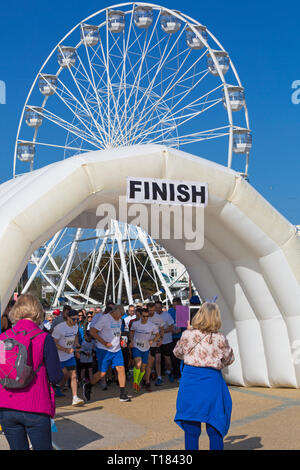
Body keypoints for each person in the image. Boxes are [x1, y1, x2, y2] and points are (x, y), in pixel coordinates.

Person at [0, 293, 63, 450]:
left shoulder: (3, 337)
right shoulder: (44, 338)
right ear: (37, 311)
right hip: (36, 405)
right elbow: (55, 376)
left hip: (6, 404)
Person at [173, 302, 235, 451]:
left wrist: (188, 334)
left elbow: (177, 353)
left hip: (190, 381)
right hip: (211, 382)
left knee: (191, 427)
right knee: (214, 425)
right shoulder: (220, 338)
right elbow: (229, 359)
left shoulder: (187, 334)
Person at [83, 304, 131, 402]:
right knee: (102, 373)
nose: (120, 317)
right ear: (115, 312)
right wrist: (104, 343)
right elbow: (92, 332)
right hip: (104, 350)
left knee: (121, 369)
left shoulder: (119, 320)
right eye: (120, 315)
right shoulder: (104, 319)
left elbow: (119, 333)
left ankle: (123, 394)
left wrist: (122, 341)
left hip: (117, 349)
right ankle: (88, 385)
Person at [52, 309, 84, 406]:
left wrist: (76, 344)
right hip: (59, 357)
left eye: (77, 319)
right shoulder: (59, 328)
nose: (75, 321)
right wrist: (65, 349)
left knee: (73, 375)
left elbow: (75, 336)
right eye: (74, 319)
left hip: (69, 356)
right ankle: (57, 388)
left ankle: (75, 397)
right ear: (68, 318)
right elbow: (53, 343)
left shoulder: (75, 326)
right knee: (64, 375)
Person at [129, 307, 161, 392]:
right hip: (136, 347)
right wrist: (131, 341)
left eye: (147, 316)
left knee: (143, 368)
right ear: (140, 316)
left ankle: (137, 383)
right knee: (138, 364)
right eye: (143, 316)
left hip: (146, 348)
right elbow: (131, 333)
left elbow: (158, 335)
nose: (145, 318)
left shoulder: (152, 326)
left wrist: (153, 340)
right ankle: (135, 382)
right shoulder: (135, 324)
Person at [143, 302, 164, 389]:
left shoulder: (158, 318)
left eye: (153, 310)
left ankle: (159, 377)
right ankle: (146, 379)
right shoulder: (144, 318)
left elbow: (162, 329)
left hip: (155, 343)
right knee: (147, 362)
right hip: (145, 344)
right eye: (149, 310)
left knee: (157, 360)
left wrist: (161, 340)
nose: (151, 312)